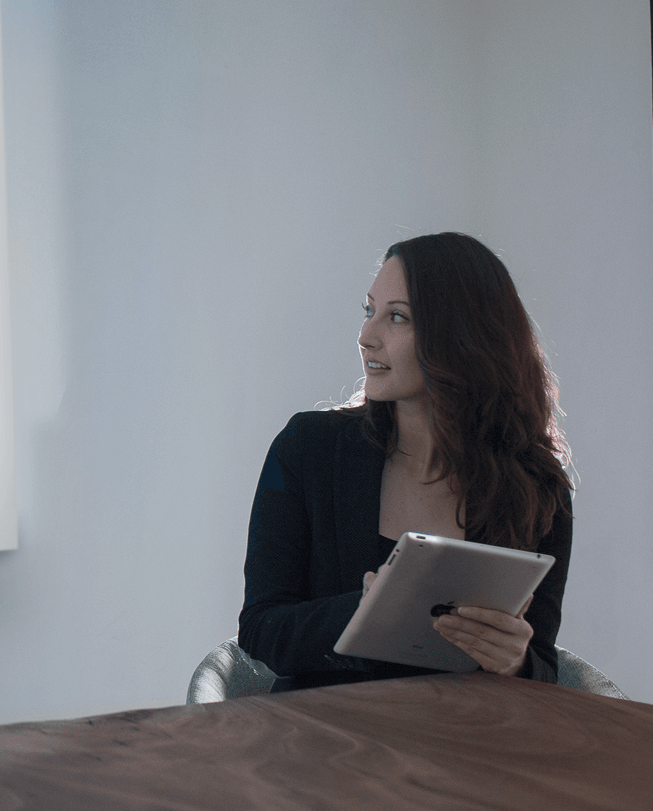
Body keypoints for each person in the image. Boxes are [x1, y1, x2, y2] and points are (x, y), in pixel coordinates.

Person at [238, 233, 573, 687]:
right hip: (328, 740)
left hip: (460, 743)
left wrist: (515, 661)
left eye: (397, 317)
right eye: (369, 311)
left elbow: (542, 667)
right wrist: (361, 615)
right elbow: (259, 630)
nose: (365, 337)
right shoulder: (305, 448)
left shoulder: (536, 487)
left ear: (463, 338)